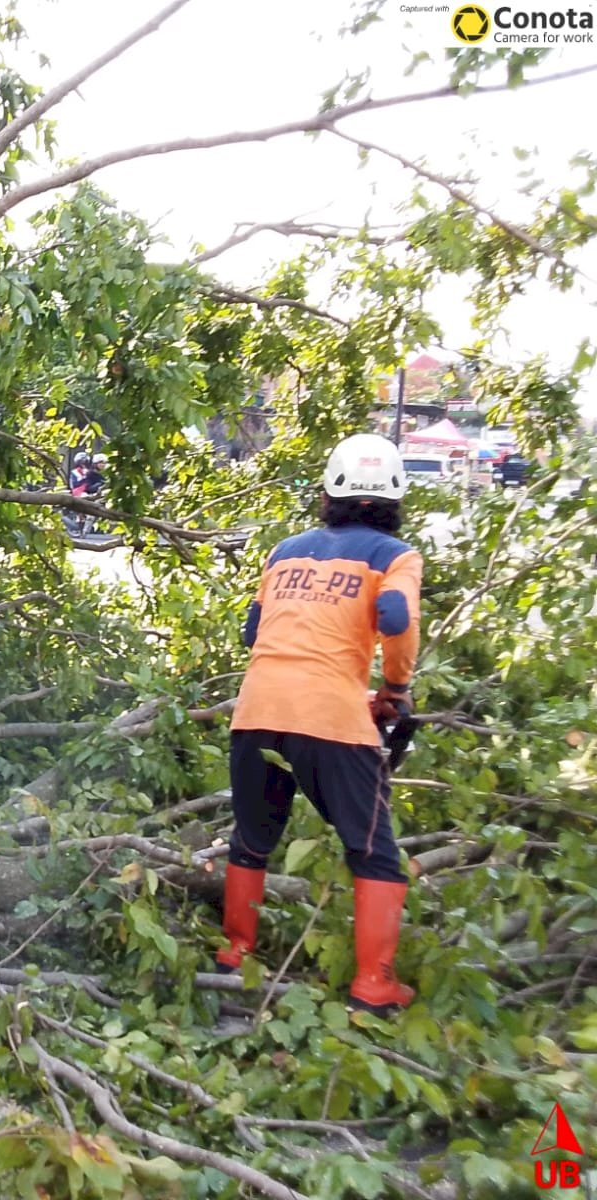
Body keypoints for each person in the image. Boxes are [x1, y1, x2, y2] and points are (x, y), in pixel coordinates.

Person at [218, 433, 421, 1015]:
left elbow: (255, 634)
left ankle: (236, 956)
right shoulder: (396, 556)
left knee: (252, 840)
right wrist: (395, 690)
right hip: (332, 718)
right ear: (393, 499)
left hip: (257, 709)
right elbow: (397, 615)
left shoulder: (284, 551)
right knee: (374, 851)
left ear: (329, 490)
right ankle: (373, 983)